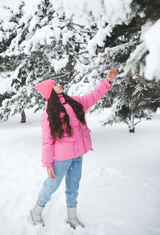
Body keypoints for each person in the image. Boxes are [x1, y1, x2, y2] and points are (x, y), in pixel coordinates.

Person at [30, 67, 118, 229]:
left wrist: (107, 81)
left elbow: (93, 96)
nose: (59, 85)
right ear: (50, 91)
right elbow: (47, 141)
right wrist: (48, 164)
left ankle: (72, 217)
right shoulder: (48, 115)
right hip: (61, 158)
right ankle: (36, 211)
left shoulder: (74, 102)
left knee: (73, 186)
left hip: (78, 154)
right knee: (51, 186)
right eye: (55, 84)